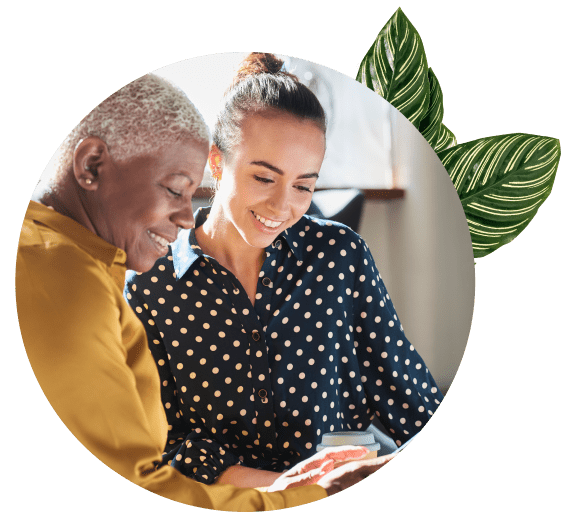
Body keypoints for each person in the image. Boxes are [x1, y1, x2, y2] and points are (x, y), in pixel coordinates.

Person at [15, 72, 391, 511]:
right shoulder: (67, 282)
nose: (184, 216)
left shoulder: (87, 266)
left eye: (304, 184)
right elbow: (140, 480)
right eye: (175, 189)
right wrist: (311, 492)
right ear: (91, 165)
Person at [125, 54, 444, 488]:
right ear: (216, 163)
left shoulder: (340, 256)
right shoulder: (150, 284)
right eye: (263, 177)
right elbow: (164, 442)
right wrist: (283, 489)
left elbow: (413, 404)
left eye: (303, 186)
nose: (282, 207)